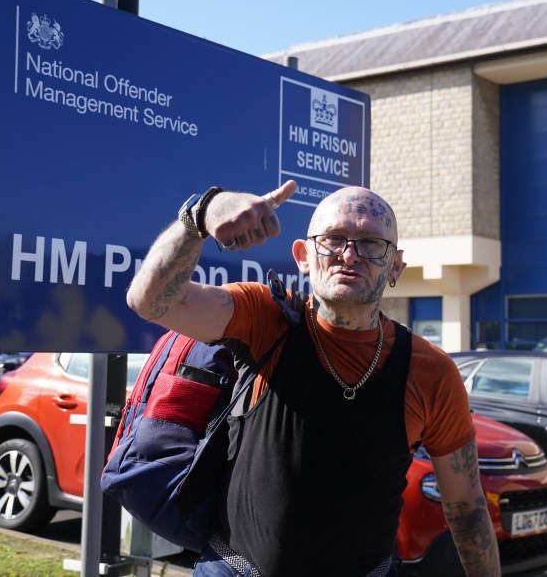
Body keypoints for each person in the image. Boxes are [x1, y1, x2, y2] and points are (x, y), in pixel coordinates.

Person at [127, 180, 501, 577]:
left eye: (371, 243)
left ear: (395, 266)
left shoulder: (430, 371)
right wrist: (199, 215)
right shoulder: (264, 318)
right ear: (303, 256)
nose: (349, 255)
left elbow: (466, 506)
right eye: (334, 239)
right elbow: (149, 300)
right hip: (236, 569)